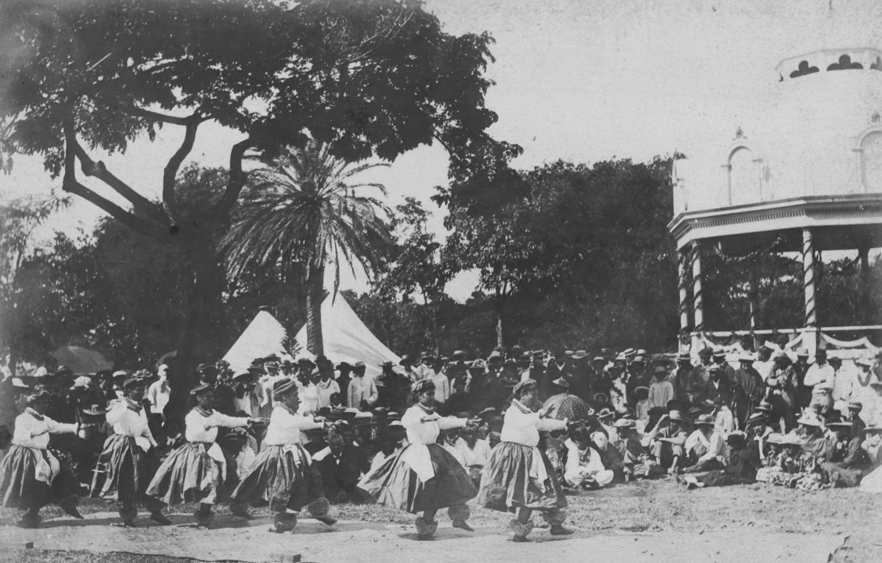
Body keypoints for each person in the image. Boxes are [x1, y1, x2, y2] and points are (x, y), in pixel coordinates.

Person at [358, 379, 477, 540]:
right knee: (432, 485)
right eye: (429, 394)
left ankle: (458, 517)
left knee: (454, 476)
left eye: (433, 394)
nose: (432, 397)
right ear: (420, 395)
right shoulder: (413, 411)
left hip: (435, 450)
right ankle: (426, 526)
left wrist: (464, 421)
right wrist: (422, 419)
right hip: (419, 451)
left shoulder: (431, 411)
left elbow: (442, 422)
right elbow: (406, 422)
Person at [230, 377, 337, 532]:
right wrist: (319, 422)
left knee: (314, 478)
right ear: (284, 397)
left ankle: (319, 511)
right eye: (294, 395)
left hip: (295, 452)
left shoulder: (289, 412)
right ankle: (282, 519)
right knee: (285, 486)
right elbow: (295, 423)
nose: (298, 398)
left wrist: (322, 423)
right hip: (279, 455)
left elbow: (299, 421)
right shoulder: (279, 412)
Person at [146, 383, 258, 525]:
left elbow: (228, 420)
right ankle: (156, 511)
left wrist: (248, 420)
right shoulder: (192, 415)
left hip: (212, 451)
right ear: (199, 398)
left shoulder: (213, 413)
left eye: (212, 397)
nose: (211, 400)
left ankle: (204, 515)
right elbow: (191, 434)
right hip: (194, 452)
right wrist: (207, 425)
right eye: (207, 397)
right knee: (173, 480)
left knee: (214, 482)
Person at [477, 379, 573, 543]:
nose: (536, 398)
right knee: (529, 493)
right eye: (533, 395)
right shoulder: (512, 411)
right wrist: (540, 413)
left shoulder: (527, 411)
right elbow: (525, 422)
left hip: (531, 454)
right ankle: (520, 532)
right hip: (518, 457)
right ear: (522, 395)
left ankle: (555, 524)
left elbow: (541, 424)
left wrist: (564, 424)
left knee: (549, 488)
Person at [92, 378, 169, 527]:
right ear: (128, 391)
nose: (141, 393)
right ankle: (128, 517)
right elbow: (110, 419)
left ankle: (156, 512)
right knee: (128, 480)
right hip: (125, 446)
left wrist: (154, 444)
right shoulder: (121, 406)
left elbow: (145, 427)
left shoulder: (140, 407)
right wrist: (121, 406)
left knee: (152, 476)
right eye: (137, 390)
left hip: (142, 445)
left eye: (143, 390)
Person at [0, 390, 83, 528]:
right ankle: (32, 515)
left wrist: (76, 428)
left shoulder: (44, 418)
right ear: (34, 403)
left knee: (63, 474)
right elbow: (19, 436)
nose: (47, 405)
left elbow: (57, 427)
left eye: (47, 402)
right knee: (34, 486)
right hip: (26, 456)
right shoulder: (23, 418)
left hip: (42, 454)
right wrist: (35, 432)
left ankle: (65, 503)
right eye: (43, 402)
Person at [681, 431, 758, 489]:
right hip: (738, 475)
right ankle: (693, 479)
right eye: (729, 444)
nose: (729, 446)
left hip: (746, 478)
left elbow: (738, 472)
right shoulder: (736, 452)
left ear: (738, 444)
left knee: (722, 479)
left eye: (732, 444)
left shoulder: (744, 454)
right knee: (714, 473)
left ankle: (698, 484)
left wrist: (724, 464)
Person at [314, 432, 371, 504]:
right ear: (330, 446)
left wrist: (344, 490)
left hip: (349, 489)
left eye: (338, 445)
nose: (336, 447)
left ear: (342, 445)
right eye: (334, 445)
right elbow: (327, 478)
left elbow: (353, 476)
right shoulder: (326, 460)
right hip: (334, 490)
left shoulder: (350, 458)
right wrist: (337, 491)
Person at [562, 425, 614, 489]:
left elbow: (600, 467)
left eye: (581, 440)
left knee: (609, 473)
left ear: (586, 439)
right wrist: (581, 472)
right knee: (568, 475)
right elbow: (571, 467)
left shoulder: (593, 451)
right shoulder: (573, 450)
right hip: (580, 476)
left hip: (593, 475)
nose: (578, 442)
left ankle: (591, 483)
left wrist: (592, 473)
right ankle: (588, 484)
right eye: (577, 440)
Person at [647, 409, 691, 474]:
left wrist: (664, 439)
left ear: (679, 423)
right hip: (664, 457)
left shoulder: (682, 432)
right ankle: (659, 466)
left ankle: (673, 467)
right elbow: (652, 437)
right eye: (671, 421)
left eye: (675, 422)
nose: (672, 423)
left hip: (675, 458)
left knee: (677, 447)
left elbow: (681, 441)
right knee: (658, 443)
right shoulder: (664, 430)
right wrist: (659, 422)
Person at [733, 354, 764, 428]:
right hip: (742, 401)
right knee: (742, 420)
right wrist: (747, 394)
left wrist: (757, 396)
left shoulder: (755, 373)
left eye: (748, 362)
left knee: (752, 420)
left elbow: (761, 386)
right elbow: (737, 386)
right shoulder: (738, 373)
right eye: (744, 362)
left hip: (752, 402)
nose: (746, 364)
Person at [804, 350, 835, 414]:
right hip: (814, 396)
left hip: (825, 396)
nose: (817, 359)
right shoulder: (812, 368)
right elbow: (806, 382)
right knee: (811, 416)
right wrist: (818, 381)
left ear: (824, 358)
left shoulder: (829, 369)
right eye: (817, 357)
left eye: (820, 357)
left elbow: (829, 385)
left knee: (824, 418)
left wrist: (816, 385)